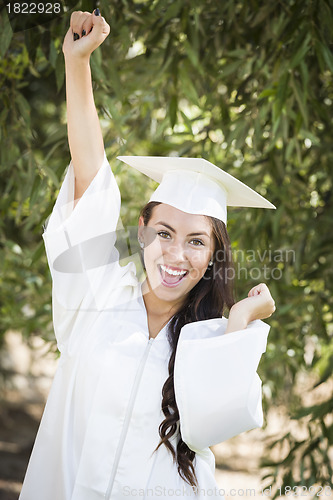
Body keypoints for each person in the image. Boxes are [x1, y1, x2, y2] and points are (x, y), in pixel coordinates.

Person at [19, 8, 276, 500]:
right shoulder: (93, 299)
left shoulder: (213, 336)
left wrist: (240, 320)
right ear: (141, 232)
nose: (176, 253)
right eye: (164, 232)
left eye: (197, 241)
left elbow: (209, 428)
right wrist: (78, 64)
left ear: (214, 254)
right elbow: (90, 173)